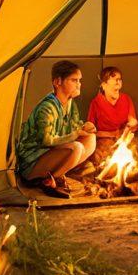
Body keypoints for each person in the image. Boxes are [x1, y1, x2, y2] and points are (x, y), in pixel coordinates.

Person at [15, 60, 96, 198]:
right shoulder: (47, 108)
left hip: (52, 153)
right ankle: (46, 181)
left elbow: (73, 126)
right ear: (57, 82)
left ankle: (55, 176)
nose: (79, 84)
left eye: (79, 80)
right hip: (33, 162)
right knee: (76, 148)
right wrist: (75, 134)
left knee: (90, 139)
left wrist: (85, 127)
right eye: (74, 80)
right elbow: (47, 141)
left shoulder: (70, 104)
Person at [87, 65, 138, 144]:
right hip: (104, 141)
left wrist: (131, 124)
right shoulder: (96, 103)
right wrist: (112, 134)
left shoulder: (126, 99)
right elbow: (90, 131)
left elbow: (133, 120)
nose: (118, 82)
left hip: (124, 139)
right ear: (104, 85)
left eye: (119, 79)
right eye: (114, 80)